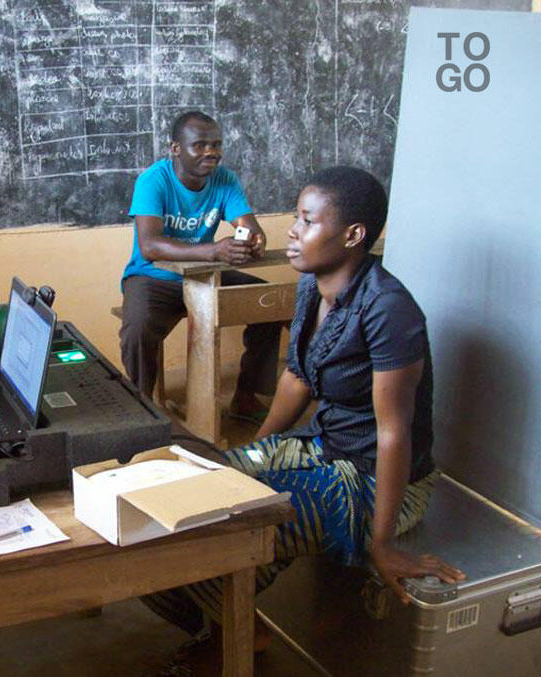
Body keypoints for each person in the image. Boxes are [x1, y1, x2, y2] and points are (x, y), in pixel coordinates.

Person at [143, 166, 466, 672]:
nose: (292, 232)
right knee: (182, 496)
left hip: (373, 479)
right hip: (323, 444)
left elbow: (393, 432)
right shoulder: (312, 285)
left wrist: (382, 543)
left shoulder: (388, 309)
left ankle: (237, 637)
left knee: (230, 523)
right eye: (297, 217)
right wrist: (247, 458)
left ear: (353, 235)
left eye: (307, 221)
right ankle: (233, 623)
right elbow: (297, 376)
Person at [119, 111, 281, 420]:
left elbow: (248, 225)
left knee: (267, 304)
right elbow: (150, 246)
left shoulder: (224, 179)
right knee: (137, 327)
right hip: (153, 278)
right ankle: (142, 411)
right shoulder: (153, 180)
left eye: (216, 145)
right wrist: (215, 250)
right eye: (200, 145)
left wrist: (254, 240)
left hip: (205, 277)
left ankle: (245, 398)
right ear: (176, 149)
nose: (211, 152)